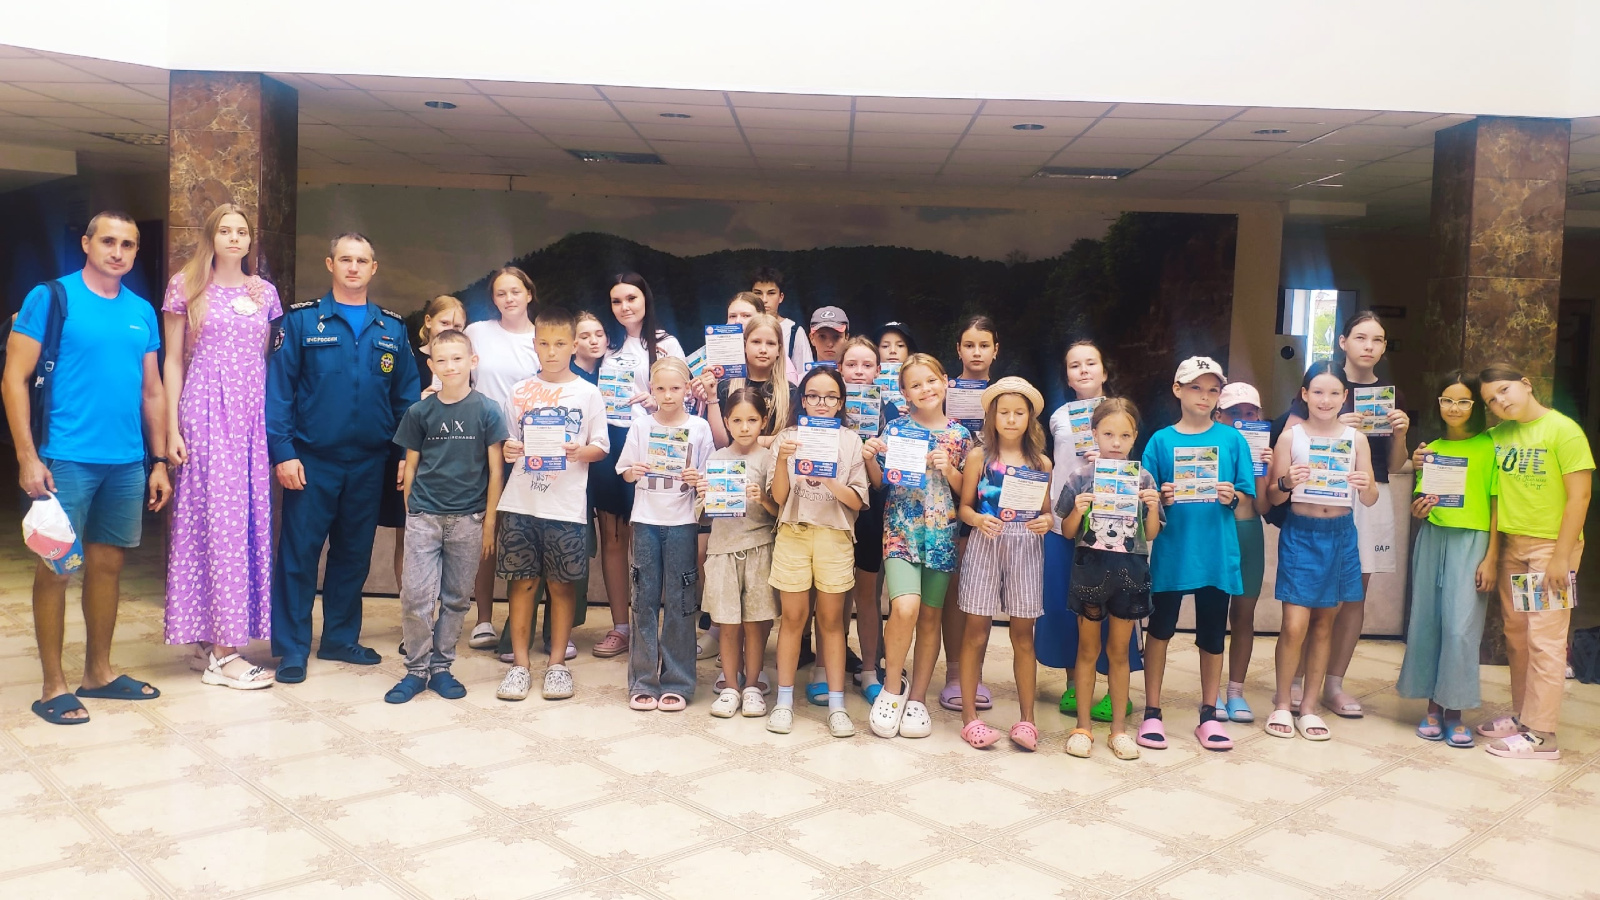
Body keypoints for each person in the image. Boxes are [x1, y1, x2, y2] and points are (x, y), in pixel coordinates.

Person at [4, 211, 171, 724]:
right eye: (108, 241)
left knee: (107, 566)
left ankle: (97, 674)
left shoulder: (141, 311)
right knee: (57, 567)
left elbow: (152, 391)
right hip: (64, 460)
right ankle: (53, 685)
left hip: (126, 463)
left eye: (128, 244)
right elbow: (13, 379)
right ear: (86, 243)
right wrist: (27, 457)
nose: (117, 252)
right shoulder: (51, 298)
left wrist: (158, 461)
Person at [266, 233, 420, 683]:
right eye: (346, 259)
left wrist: (404, 456)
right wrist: (283, 452)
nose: (354, 267)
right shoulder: (300, 322)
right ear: (330, 264)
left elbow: (406, 400)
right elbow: (279, 393)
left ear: (374, 268)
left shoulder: (391, 329)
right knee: (299, 556)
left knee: (353, 555)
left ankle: (339, 637)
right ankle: (292, 649)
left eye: (362, 260)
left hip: (370, 462)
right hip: (311, 460)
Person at [161, 204, 279, 689]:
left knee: (244, 522)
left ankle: (210, 641)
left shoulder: (264, 292)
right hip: (206, 410)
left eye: (242, 231)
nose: (234, 238)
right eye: (225, 230)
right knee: (214, 522)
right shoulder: (185, 286)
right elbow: (172, 361)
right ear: (211, 236)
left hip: (251, 416)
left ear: (250, 241)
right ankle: (225, 655)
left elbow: (265, 359)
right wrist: (171, 429)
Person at [1475, 364, 1592, 760]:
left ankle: (1543, 734)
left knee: (1545, 639)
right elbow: (1465, 454)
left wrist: (1561, 557)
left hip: (1551, 550)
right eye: (1491, 400)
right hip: (1513, 545)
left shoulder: (1564, 431)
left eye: (1504, 390)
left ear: (1526, 384)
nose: (1500, 401)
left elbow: (1580, 497)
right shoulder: (1498, 436)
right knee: (1517, 635)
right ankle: (1525, 717)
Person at [494, 307, 610, 701]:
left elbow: (601, 447)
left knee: (562, 587)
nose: (552, 351)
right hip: (521, 504)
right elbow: (508, 442)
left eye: (560, 343)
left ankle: (557, 664)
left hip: (566, 507)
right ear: (535, 344)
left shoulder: (588, 392)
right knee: (522, 584)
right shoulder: (519, 391)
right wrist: (510, 449)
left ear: (574, 345)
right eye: (544, 343)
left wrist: (580, 451)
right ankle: (520, 665)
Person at [1139, 356, 1255, 752]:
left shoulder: (1233, 441)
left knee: (1212, 633)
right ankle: (1152, 711)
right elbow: (1145, 497)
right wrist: (1160, 498)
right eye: (1195, 388)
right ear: (1177, 390)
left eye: (1212, 390)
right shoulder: (1160, 441)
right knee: (1159, 630)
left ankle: (1208, 714)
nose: (1204, 397)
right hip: (1173, 553)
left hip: (1216, 554)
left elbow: (1247, 501)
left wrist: (1233, 496)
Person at [385, 329, 507, 703]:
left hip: (469, 519)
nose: (450, 366)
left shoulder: (488, 410)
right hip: (425, 516)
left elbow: (496, 472)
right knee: (416, 596)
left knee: (455, 598)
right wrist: (413, 511)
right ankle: (415, 669)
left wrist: (489, 523)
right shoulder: (419, 412)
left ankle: (441, 667)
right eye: (442, 360)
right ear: (432, 365)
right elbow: (411, 466)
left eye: (457, 358)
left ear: (472, 362)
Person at [1265, 361, 1377, 742]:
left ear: (1345, 396)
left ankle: (1309, 707)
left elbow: (1371, 497)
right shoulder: (1290, 437)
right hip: (1301, 533)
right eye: (1317, 392)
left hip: (1340, 535)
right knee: (1294, 625)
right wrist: (1286, 481)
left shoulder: (1356, 440)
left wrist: (1365, 485)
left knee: (1325, 624)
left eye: (1333, 393)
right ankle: (1283, 702)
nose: (1325, 400)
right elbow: (1273, 496)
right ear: (1304, 394)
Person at [1310, 311, 1411, 719]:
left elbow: (1397, 464)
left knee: (1355, 591)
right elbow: (1293, 437)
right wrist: (1334, 424)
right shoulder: (1324, 384)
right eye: (1361, 337)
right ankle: (1301, 678)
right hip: (1324, 493)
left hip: (1372, 493)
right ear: (1343, 341)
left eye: (1378, 340)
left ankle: (1334, 683)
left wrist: (1401, 434)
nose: (1369, 346)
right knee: (1316, 586)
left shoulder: (1392, 396)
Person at [865, 353, 970, 740]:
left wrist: (950, 469)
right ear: (904, 393)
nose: (925, 389)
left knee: (929, 616)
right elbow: (881, 483)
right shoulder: (895, 429)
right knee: (904, 607)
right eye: (915, 384)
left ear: (944, 381)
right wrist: (869, 458)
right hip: (901, 530)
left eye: (931, 380)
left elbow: (967, 492)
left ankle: (918, 699)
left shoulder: (960, 435)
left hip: (941, 534)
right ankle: (893, 688)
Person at [1038, 340, 1142, 722]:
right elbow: (1056, 465)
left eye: (1090, 363)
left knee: (1117, 608)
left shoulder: (1119, 413)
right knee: (1071, 606)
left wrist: (1111, 463)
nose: (1083, 370)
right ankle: (1073, 685)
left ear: (1104, 371)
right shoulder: (1059, 416)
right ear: (1067, 376)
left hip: (1112, 525)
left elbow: (1133, 464)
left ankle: (1116, 692)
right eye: (1074, 365)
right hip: (1066, 521)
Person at [1056, 398, 1162, 761]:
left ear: (1135, 437)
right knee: (1087, 650)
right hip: (1090, 569)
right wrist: (1078, 510)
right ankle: (1082, 727)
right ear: (1094, 434)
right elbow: (1067, 530)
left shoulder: (1143, 478)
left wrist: (1152, 506)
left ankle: (1119, 730)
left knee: (1119, 652)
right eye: (1108, 434)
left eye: (1125, 435)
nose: (1116, 442)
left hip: (1130, 573)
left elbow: (1152, 534)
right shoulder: (1080, 477)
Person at [766, 367, 870, 737]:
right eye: (813, 396)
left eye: (830, 397)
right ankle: (783, 701)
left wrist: (828, 477)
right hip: (793, 532)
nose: (821, 403)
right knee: (793, 619)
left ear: (841, 403)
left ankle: (837, 704)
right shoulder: (788, 438)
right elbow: (779, 498)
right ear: (803, 400)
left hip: (835, 535)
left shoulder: (850, 441)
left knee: (831, 621)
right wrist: (783, 460)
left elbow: (857, 501)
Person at [1396, 371, 1497, 747]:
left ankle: (1455, 712)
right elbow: (1421, 499)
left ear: (1475, 406)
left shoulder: (1490, 446)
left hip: (1472, 542)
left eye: (1463, 401)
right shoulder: (1431, 450)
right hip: (1433, 538)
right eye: (1447, 400)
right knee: (1427, 622)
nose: (1454, 408)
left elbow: (1496, 505)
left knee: (1460, 627)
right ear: (1438, 403)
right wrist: (1418, 509)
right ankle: (1432, 708)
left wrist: (1491, 557)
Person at [592, 273, 687, 662]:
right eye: (616, 301)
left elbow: (684, 398)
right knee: (612, 537)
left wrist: (655, 402)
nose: (624, 306)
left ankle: (657, 630)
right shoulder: (606, 344)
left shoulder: (666, 343)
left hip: (653, 445)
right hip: (610, 442)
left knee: (651, 540)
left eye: (631, 298)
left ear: (646, 299)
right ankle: (621, 627)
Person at [955, 377, 1053, 751]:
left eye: (1019, 413)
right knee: (975, 632)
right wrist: (978, 519)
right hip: (985, 543)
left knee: (1023, 635)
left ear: (1030, 418)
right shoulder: (978, 458)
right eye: (1004, 413)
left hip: (1025, 546)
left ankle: (1027, 720)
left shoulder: (1040, 463)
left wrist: (1046, 522)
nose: (1011, 420)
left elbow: (1046, 512)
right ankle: (970, 718)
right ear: (992, 417)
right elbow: (964, 508)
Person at [618, 357, 713, 712]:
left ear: (687, 389)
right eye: (661, 388)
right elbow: (625, 471)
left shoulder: (699, 427)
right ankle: (643, 681)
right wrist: (634, 471)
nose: (668, 395)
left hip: (683, 523)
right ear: (652, 390)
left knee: (681, 601)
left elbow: (709, 479)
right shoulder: (641, 426)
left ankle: (678, 681)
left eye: (675, 388)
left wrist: (697, 479)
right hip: (645, 521)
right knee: (643, 600)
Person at [463, 267, 541, 652]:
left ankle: (519, 626)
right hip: (481, 443)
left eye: (515, 291)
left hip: (529, 448)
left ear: (529, 294)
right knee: (486, 531)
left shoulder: (541, 338)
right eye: (500, 293)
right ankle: (483, 619)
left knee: (525, 535)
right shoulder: (477, 332)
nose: (508, 299)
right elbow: (455, 370)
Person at [387, 294, 465, 655]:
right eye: (445, 322)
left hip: (452, 464)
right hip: (412, 456)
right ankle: (414, 625)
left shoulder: (462, 361)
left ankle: (444, 625)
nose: (451, 330)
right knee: (409, 540)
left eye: (458, 326)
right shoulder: (410, 358)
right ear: (428, 322)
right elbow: (394, 403)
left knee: (449, 544)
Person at [700, 387, 780, 718]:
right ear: (726, 422)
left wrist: (763, 498)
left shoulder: (769, 459)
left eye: (752, 420)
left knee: (754, 623)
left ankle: (752, 685)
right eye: (737, 421)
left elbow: (779, 510)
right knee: (728, 624)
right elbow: (702, 514)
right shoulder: (717, 459)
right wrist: (704, 493)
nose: (745, 427)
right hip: (722, 550)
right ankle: (731, 686)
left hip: (759, 548)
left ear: (763, 421)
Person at [940, 315, 998, 715]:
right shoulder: (942, 392)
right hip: (947, 499)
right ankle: (954, 673)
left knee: (980, 591)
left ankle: (974, 673)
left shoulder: (1006, 397)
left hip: (992, 503)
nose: (976, 352)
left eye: (984, 345)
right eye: (969, 345)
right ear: (958, 350)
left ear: (996, 350)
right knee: (954, 587)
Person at [1212, 382, 1274, 722]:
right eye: (1235, 412)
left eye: (1250, 412)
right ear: (1219, 415)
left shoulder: (1261, 450)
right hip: (1217, 532)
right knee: (1213, 612)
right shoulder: (1209, 446)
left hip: (1249, 531)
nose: (1243, 419)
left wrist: (1264, 469)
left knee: (1243, 615)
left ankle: (1235, 691)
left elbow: (1263, 506)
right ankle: (1211, 692)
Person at [841, 336, 892, 701]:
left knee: (867, 593)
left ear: (878, 370)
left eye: (867, 365)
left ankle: (870, 669)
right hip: (831, 508)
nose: (859, 372)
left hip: (871, 510)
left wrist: (871, 451)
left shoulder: (889, 412)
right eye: (851, 365)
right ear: (840, 368)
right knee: (834, 593)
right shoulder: (827, 404)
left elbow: (884, 479)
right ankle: (830, 664)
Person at [750, 267, 812, 381]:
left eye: (771, 293)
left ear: (781, 297)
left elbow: (805, 375)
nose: (764, 299)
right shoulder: (743, 328)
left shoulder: (794, 331)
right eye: (758, 293)